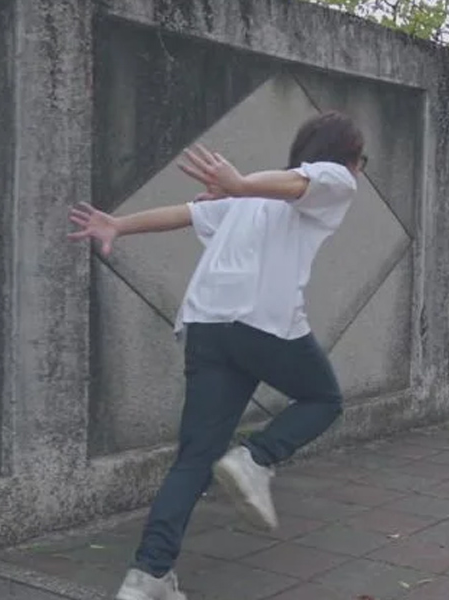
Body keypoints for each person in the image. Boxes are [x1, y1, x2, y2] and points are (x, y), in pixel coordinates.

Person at [68, 111, 366, 600]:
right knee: (324, 400)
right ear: (348, 157)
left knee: (194, 458)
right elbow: (299, 182)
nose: (359, 170)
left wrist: (119, 224)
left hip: (207, 324)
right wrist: (241, 183)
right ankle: (256, 458)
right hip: (261, 321)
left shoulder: (251, 197)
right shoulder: (334, 179)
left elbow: (184, 214)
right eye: (361, 160)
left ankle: (148, 575)